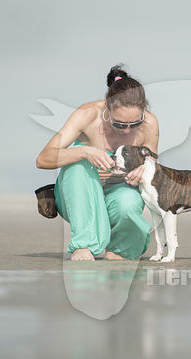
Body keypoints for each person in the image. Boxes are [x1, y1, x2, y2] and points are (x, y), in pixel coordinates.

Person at [36, 64, 159, 261]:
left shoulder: (149, 123)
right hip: (78, 198)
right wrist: (85, 151)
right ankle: (84, 245)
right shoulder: (87, 115)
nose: (127, 131)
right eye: (119, 124)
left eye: (134, 124)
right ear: (107, 109)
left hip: (117, 192)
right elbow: (43, 159)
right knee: (78, 163)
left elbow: (153, 163)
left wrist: (146, 168)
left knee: (128, 202)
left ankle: (120, 248)